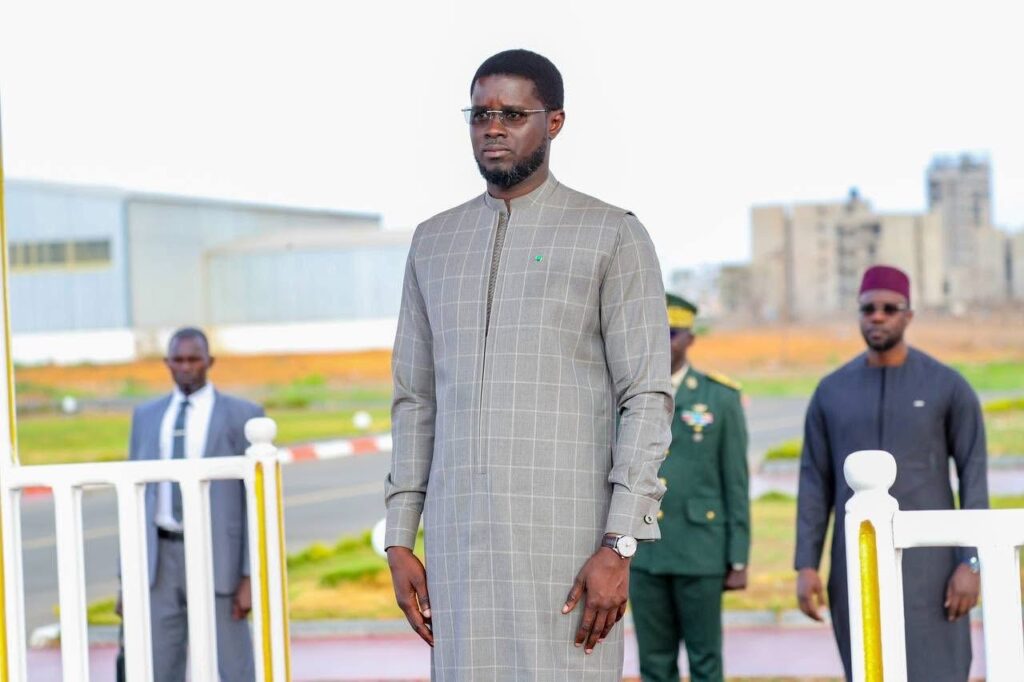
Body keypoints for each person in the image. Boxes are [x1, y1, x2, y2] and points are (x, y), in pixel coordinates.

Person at [384, 48, 673, 680]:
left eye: (513, 115)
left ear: (555, 122)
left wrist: (619, 543)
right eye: (480, 114)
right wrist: (399, 537)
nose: (493, 128)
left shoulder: (610, 233)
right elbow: (416, 398)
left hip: (569, 547)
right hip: (460, 547)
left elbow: (647, 397)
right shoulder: (434, 242)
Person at [795, 265, 988, 682]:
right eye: (868, 309)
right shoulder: (831, 392)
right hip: (855, 563)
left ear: (908, 315)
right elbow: (814, 483)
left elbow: (973, 476)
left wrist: (971, 562)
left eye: (889, 308)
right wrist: (806, 565)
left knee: (939, 671)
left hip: (934, 569)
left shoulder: (947, 386)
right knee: (868, 669)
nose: (878, 317)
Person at [120, 327, 262, 682]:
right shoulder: (146, 416)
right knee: (159, 664)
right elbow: (133, 499)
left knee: (233, 666)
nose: (186, 367)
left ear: (209, 361)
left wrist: (249, 575)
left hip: (219, 556)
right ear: (167, 363)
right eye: (178, 360)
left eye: (194, 359)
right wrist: (126, 578)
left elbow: (253, 502)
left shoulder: (242, 414)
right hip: (160, 559)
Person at [630, 294, 750, 682]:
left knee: (705, 660)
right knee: (654, 662)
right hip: (643, 553)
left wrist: (738, 558)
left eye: (672, 334)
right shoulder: (628, 394)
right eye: (656, 333)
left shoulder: (720, 397)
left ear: (690, 339)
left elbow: (735, 481)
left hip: (701, 551)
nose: (663, 343)